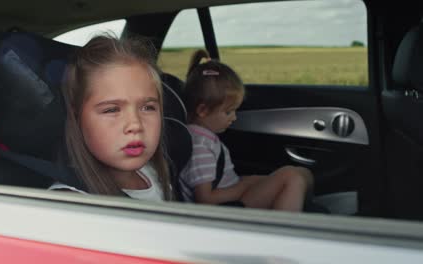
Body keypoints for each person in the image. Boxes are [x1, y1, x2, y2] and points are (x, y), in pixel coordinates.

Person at [180, 50, 313, 211]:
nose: (234, 117)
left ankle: (301, 212)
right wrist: (244, 187)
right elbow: (205, 200)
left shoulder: (204, 137)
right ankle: (286, 232)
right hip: (227, 209)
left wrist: (246, 181)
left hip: (232, 194)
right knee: (292, 177)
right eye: (228, 112)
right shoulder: (200, 147)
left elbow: (223, 181)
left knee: (302, 173)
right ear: (203, 110)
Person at [49, 35, 173, 201]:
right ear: (77, 116)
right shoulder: (72, 204)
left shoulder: (150, 172)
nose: (135, 125)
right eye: (112, 110)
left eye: (148, 107)